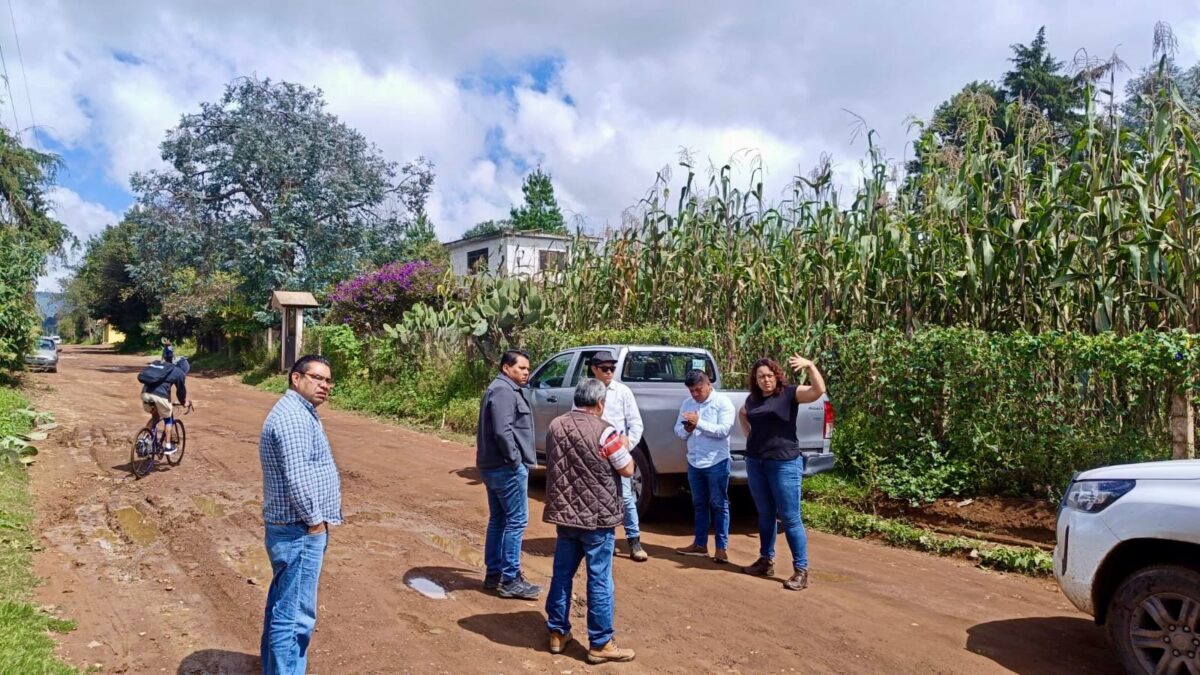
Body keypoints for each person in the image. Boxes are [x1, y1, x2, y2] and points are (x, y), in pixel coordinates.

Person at [543, 378, 637, 664]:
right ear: (599, 403)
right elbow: (627, 468)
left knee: (562, 574)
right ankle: (601, 642)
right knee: (599, 579)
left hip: (565, 514)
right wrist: (623, 444)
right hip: (597, 518)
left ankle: (557, 632)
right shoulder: (606, 432)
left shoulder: (556, 425)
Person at [258, 354, 342, 675]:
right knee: (295, 617)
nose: (324, 385)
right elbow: (297, 476)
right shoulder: (293, 417)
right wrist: (315, 522)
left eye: (328, 380)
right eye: (317, 378)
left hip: (291, 527)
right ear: (296, 378)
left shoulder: (298, 411)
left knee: (283, 605)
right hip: (298, 529)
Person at [737, 354, 827, 591]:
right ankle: (766, 561)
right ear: (755, 380)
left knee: (790, 517)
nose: (766, 380)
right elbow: (743, 414)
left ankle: (801, 570)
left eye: (769, 375)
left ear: (776, 376)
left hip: (784, 464)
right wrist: (750, 437)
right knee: (765, 514)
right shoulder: (753, 400)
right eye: (760, 377)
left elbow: (818, 391)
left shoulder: (789, 394)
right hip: (757, 463)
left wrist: (810, 366)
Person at [476, 349, 540, 599]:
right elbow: (503, 431)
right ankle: (510, 579)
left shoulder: (500, 388)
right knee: (516, 521)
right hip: (505, 467)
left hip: (493, 465)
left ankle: (494, 575)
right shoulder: (503, 391)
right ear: (506, 368)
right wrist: (515, 460)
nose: (526, 372)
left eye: (527, 368)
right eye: (521, 368)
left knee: (499, 520)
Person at [587, 350, 648, 562]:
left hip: (618, 453)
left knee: (627, 496)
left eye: (612, 368)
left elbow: (636, 422)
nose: (609, 372)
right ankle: (607, 541)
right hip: (595, 455)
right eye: (604, 368)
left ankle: (634, 540)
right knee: (599, 498)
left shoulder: (623, 391)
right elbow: (579, 418)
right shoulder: (586, 390)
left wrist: (628, 444)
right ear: (594, 369)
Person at [672, 370, 735, 563]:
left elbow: (724, 430)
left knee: (719, 503)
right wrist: (687, 428)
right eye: (691, 391)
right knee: (699, 504)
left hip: (716, 461)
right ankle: (700, 544)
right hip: (694, 461)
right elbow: (678, 431)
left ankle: (721, 548)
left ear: (708, 384)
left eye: (698, 390)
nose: (695, 394)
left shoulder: (722, 402)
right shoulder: (687, 404)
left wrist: (699, 423)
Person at [138, 351, 190, 455]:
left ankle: (145, 440)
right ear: (184, 369)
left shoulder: (164, 369)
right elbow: (181, 392)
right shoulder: (179, 373)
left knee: (155, 418)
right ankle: (168, 446)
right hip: (159, 397)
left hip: (145, 395)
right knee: (168, 418)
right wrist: (184, 402)